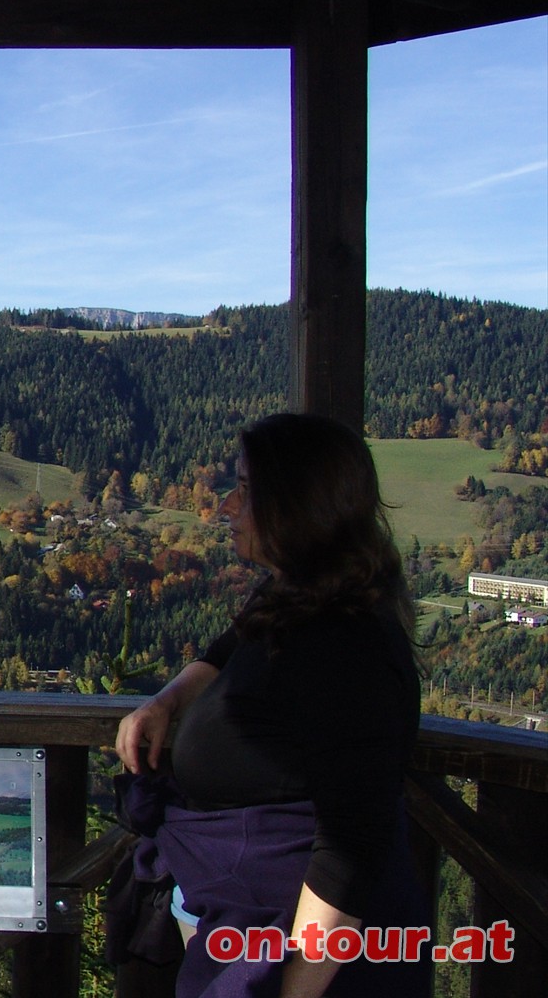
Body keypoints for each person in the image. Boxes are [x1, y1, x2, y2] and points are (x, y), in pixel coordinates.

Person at [114, 412, 425, 998]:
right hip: (248, 930)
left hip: (304, 958)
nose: (227, 506)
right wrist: (166, 701)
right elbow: (226, 648)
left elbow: (350, 850)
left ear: (298, 505)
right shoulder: (299, 593)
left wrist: (293, 989)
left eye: (247, 490)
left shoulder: (347, 645)